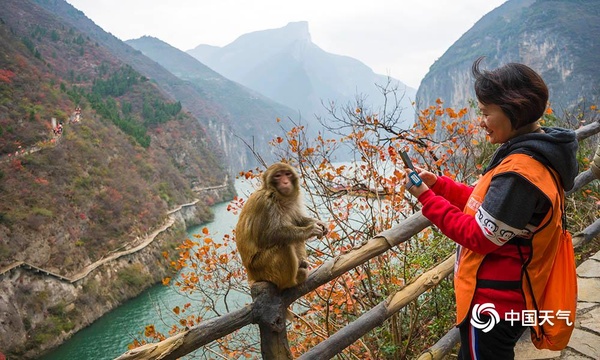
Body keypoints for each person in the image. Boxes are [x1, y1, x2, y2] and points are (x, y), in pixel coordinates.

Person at [404, 57, 578, 359]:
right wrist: (442, 187)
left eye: (486, 112)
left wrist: (425, 198)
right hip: (508, 298)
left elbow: (479, 235)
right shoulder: (536, 153)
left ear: (514, 110)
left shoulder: (520, 173)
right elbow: (494, 209)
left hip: (494, 305)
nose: (481, 120)